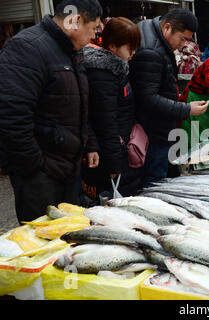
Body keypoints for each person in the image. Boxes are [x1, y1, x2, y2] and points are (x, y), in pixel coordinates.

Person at [0, 0, 102, 222]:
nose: (94, 36)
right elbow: (11, 115)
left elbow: (78, 104)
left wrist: (89, 143)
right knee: (42, 239)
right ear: (75, 21)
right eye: (93, 28)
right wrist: (35, 167)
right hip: (40, 175)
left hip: (68, 168)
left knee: (67, 237)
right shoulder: (27, 47)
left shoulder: (72, 51)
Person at [129, 9, 208, 186]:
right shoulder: (152, 51)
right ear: (167, 27)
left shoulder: (149, 30)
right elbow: (148, 98)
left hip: (156, 128)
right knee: (153, 185)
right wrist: (186, 109)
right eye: (183, 39)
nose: (183, 45)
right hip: (153, 132)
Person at [81, 17, 142, 202]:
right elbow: (105, 123)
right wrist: (115, 165)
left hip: (116, 149)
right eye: (129, 47)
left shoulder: (117, 68)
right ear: (113, 46)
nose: (133, 53)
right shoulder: (103, 75)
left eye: (135, 47)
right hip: (108, 157)